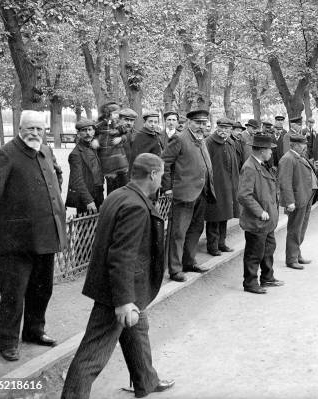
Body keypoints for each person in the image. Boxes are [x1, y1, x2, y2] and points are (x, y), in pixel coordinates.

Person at [61, 154, 175, 399]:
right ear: (153, 175)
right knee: (93, 354)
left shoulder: (119, 194)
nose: (162, 179)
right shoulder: (135, 205)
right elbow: (121, 256)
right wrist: (123, 301)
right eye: (161, 174)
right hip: (118, 291)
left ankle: (146, 380)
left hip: (124, 286)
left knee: (137, 330)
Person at [0, 110, 66, 361]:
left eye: (39, 129)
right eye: (30, 128)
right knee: (13, 293)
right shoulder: (5, 154)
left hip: (46, 235)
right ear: (20, 128)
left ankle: (34, 331)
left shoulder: (46, 150)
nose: (35, 133)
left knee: (42, 289)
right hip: (17, 239)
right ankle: (7, 342)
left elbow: (55, 179)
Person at [162, 109, 216, 282]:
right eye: (198, 123)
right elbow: (165, 163)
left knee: (195, 229)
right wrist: (168, 188)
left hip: (201, 192)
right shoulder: (179, 138)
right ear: (189, 123)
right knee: (178, 232)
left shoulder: (202, 139)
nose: (202, 126)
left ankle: (189, 262)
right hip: (184, 193)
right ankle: (175, 269)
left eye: (204, 123)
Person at [238, 135, 284, 294]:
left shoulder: (260, 164)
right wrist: (260, 212)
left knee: (268, 249)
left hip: (267, 219)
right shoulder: (250, 167)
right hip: (257, 220)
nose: (271, 152)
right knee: (254, 253)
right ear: (262, 151)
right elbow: (244, 195)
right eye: (269, 149)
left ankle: (267, 277)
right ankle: (250, 283)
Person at [278, 135, 318, 270]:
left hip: (305, 197)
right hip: (297, 200)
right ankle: (291, 258)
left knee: (301, 228)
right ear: (293, 145)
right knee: (295, 229)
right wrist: (289, 201)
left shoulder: (299, 156)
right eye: (302, 145)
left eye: (305, 144)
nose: (305, 147)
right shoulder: (288, 158)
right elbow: (284, 182)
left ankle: (297, 253)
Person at [204, 118, 240, 256]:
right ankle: (212, 246)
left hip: (228, 186)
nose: (224, 131)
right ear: (216, 127)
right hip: (215, 186)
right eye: (222, 128)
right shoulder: (209, 142)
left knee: (224, 215)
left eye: (227, 128)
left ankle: (222, 243)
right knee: (214, 216)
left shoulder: (230, 143)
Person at [66, 119, 104, 215]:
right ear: (78, 134)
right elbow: (77, 180)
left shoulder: (94, 147)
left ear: (94, 131)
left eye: (90, 129)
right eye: (84, 130)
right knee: (85, 227)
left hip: (99, 193)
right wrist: (88, 201)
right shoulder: (76, 154)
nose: (88, 133)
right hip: (86, 197)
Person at [94, 102, 130, 195]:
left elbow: (126, 134)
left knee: (123, 186)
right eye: (115, 113)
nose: (117, 115)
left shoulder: (118, 124)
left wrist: (121, 138)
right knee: (111, 188)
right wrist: (95, 140)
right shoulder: (99, 124)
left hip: (119, 161)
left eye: (118, 113)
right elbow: (91, 133)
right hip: (107, 161)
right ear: (108, 113)